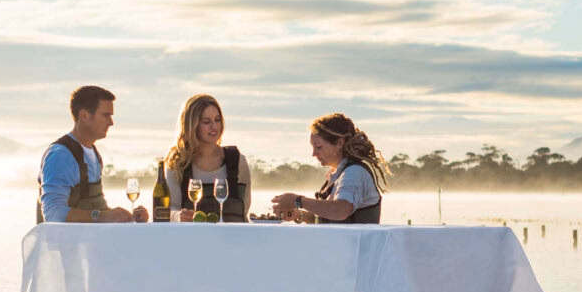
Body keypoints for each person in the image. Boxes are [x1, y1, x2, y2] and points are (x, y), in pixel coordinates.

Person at [37, 85, 148, 224]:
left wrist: (127, 217)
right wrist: (102, 216)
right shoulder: (60, 156)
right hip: (63, 245)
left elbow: (97, 210)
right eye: (106, 115)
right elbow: (53, 214)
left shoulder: (94, 154)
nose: (111, 122)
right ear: (84, 115)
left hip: (89, 243)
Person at [271, 113, 389, 223]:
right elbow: (332, 218)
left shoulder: (354, 173)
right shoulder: (338, 174)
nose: (314, 154)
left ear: (339, 143)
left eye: (318, 147)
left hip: (356, 245)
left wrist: (297, 201)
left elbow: (340, 211)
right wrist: (300, 215)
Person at [164, 93, 251, 222]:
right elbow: (168, 211)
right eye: (206, 122)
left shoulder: (238, 161)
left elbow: (244, 212)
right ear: (191, 125)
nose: (214, 127)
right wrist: (179, 216)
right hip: (191, 239)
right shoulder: (177, 163)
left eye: (217, 120)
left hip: (233, 239)